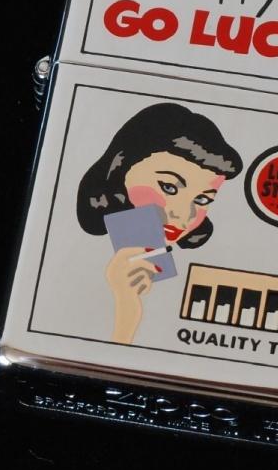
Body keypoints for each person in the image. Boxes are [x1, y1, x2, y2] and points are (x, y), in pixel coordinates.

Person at [77, 102, 242, 343]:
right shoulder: (78, 254)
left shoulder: (194, 268)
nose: (183, 216)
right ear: (121, 167)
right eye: (169, 187)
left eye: (202, 199)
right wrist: (125, 305)